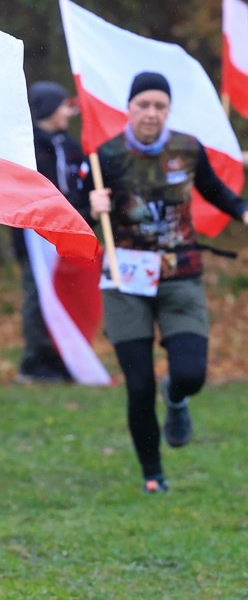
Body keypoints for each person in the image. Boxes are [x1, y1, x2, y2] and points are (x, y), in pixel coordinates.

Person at [88, 71, 248, 494]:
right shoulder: (105, 157)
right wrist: (90, 205)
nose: (151, 113)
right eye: (143, 104)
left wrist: (242, 210)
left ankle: (176, 397)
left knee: (191, 373)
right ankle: (153, 474)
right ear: (129, 108)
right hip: (126, 280)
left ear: (169, 110)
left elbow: (215, 190)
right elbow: (73, 213)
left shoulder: (187, 149)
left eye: (160, 105)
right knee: (138, 385)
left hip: (181, 274)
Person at [13, 81, 92, 384]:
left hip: (67, 237)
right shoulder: (27, 146)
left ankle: (64, 357)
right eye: (63, 106)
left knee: (66, 296)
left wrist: (89, 208)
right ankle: (36, 360)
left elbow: (80, 184)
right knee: (38, 297)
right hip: (35, 240)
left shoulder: (70, 147)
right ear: (47, 109)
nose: (69, 112)